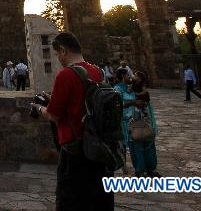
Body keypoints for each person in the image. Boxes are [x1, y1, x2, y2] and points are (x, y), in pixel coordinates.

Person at [30, 32, 113, 211]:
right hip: (99, 147)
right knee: (99, 200)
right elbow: (84, 101)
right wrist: (54, 97)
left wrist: (38, 108)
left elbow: (54, 115)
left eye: (58, 54)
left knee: (71, 201)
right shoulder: (98, 72)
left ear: (63, 50)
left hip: (75, 150)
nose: (58, 59)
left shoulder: (66, 75)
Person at [129, 71, 159, 177]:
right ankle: (145, 169)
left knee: (142, 143)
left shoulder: (141, 85)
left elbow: (144, 93)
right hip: (138, 115)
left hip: (142, 111)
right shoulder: (133, 84)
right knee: (142, 143)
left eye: (136, 75)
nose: (133, 76)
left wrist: (136, 95)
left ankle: (145, 169)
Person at [114, 69, 136, 173]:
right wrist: (133, 102)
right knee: (122, 145)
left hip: (132, 120)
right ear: (123, 76)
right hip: (122, 120)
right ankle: (123, 166)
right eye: (128, 75)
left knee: (134, 143)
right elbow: (118, 105)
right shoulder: (117, 89)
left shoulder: (130, 88)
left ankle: (137, 165)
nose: (130, 76)